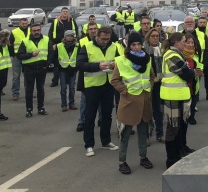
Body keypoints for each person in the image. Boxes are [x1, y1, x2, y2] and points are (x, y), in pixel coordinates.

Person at [110, 32, 154, 174]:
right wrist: (124, 91)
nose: (136, 47)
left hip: (144, 101)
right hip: (129, 102)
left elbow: (151, 76)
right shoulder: (122, 61)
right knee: (125, 134)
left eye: (139, 44)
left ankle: (143, 157)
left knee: (143, 132)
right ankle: (122, 161)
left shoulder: (147, 59)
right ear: (129, 46)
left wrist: (149, 87)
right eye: (133, 45)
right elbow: (114, 80)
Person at [77, 26, 120, 157]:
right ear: (97, 36)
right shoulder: (87, 46)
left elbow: (120, 61)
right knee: (90, 116)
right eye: (103, 39)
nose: (106, 41)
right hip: (92, 86)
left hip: (108, 84)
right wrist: (97, 66)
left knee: (107, 115)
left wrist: (115, 63)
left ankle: (106, 141)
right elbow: (80, 64)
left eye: (108, 38)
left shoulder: (113, 46)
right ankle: (89, 145)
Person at [161, 32, 201, 168]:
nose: (185, 44)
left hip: (177, 95)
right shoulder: (171, 55)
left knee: (177, 127)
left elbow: (187, 72)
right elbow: (186, 74)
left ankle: (177, 154)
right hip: (172, 96)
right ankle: (171, 159)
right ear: (176, 42)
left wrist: (192, 72)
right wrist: (193, 72)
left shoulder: (177, 54)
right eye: (184, 41)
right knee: (172, 128)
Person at [17, 24, 51, 117]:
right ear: (31, 31)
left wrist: (47, 65)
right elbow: (19, 55)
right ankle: (29, 109)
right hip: (29, 69)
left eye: (38, 30)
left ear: (40, 30)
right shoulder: (25, 41)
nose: (36, 32)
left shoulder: (46, 39)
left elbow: (51, 53)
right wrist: (31, 54)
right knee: (29, 90)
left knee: (41, 89)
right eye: (34, 30)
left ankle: (41, 108)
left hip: (41, 68)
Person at [48, 7, 78, 87]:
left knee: (68, 63)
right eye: (63, 11)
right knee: (56, 63)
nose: (65, 13)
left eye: (66, 11)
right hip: (57, 45)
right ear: (61, 12)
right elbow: (50, 33)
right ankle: (55, 80)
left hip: (69, 45)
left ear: (68, 13)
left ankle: (68, 79)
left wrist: (75, 42)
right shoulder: (56, 21)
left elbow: (76, 31)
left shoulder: (72, 21)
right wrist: (52, 44)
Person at [144, 28, 164, 142]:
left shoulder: (162, 49)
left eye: (157, 36)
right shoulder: (144, 50)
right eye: (153, 36)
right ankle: (146, 136)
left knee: (158, 109)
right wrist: (151, 78)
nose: (156, 38)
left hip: (159, 82)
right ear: (148, 37)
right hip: (147, 83)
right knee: (147, 111)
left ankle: (159, 134)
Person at [56, 30, 79, 112]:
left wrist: (76, 67)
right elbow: (55, 57)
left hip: (73, 69)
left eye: (71, 36)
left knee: (72, 88)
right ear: (65, 37)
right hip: (63, 69)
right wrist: (58, 66)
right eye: (68, 36)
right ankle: (64, 105)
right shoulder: (59, 46)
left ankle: (71, 104)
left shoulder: (77, 46)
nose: (69, 37)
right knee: (63, 88)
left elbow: (79, 57)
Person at [9, 18, 30, 100]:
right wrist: (13, 55)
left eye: (26, 23)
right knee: (16, 76)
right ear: (19, 24)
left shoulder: (31, 31)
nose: (24, 25)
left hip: (27, 56)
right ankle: (15, 93)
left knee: (28, 77)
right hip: (17, 57)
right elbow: (10, 44)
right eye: (23, 23)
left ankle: (29, 92)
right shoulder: (14, 32)